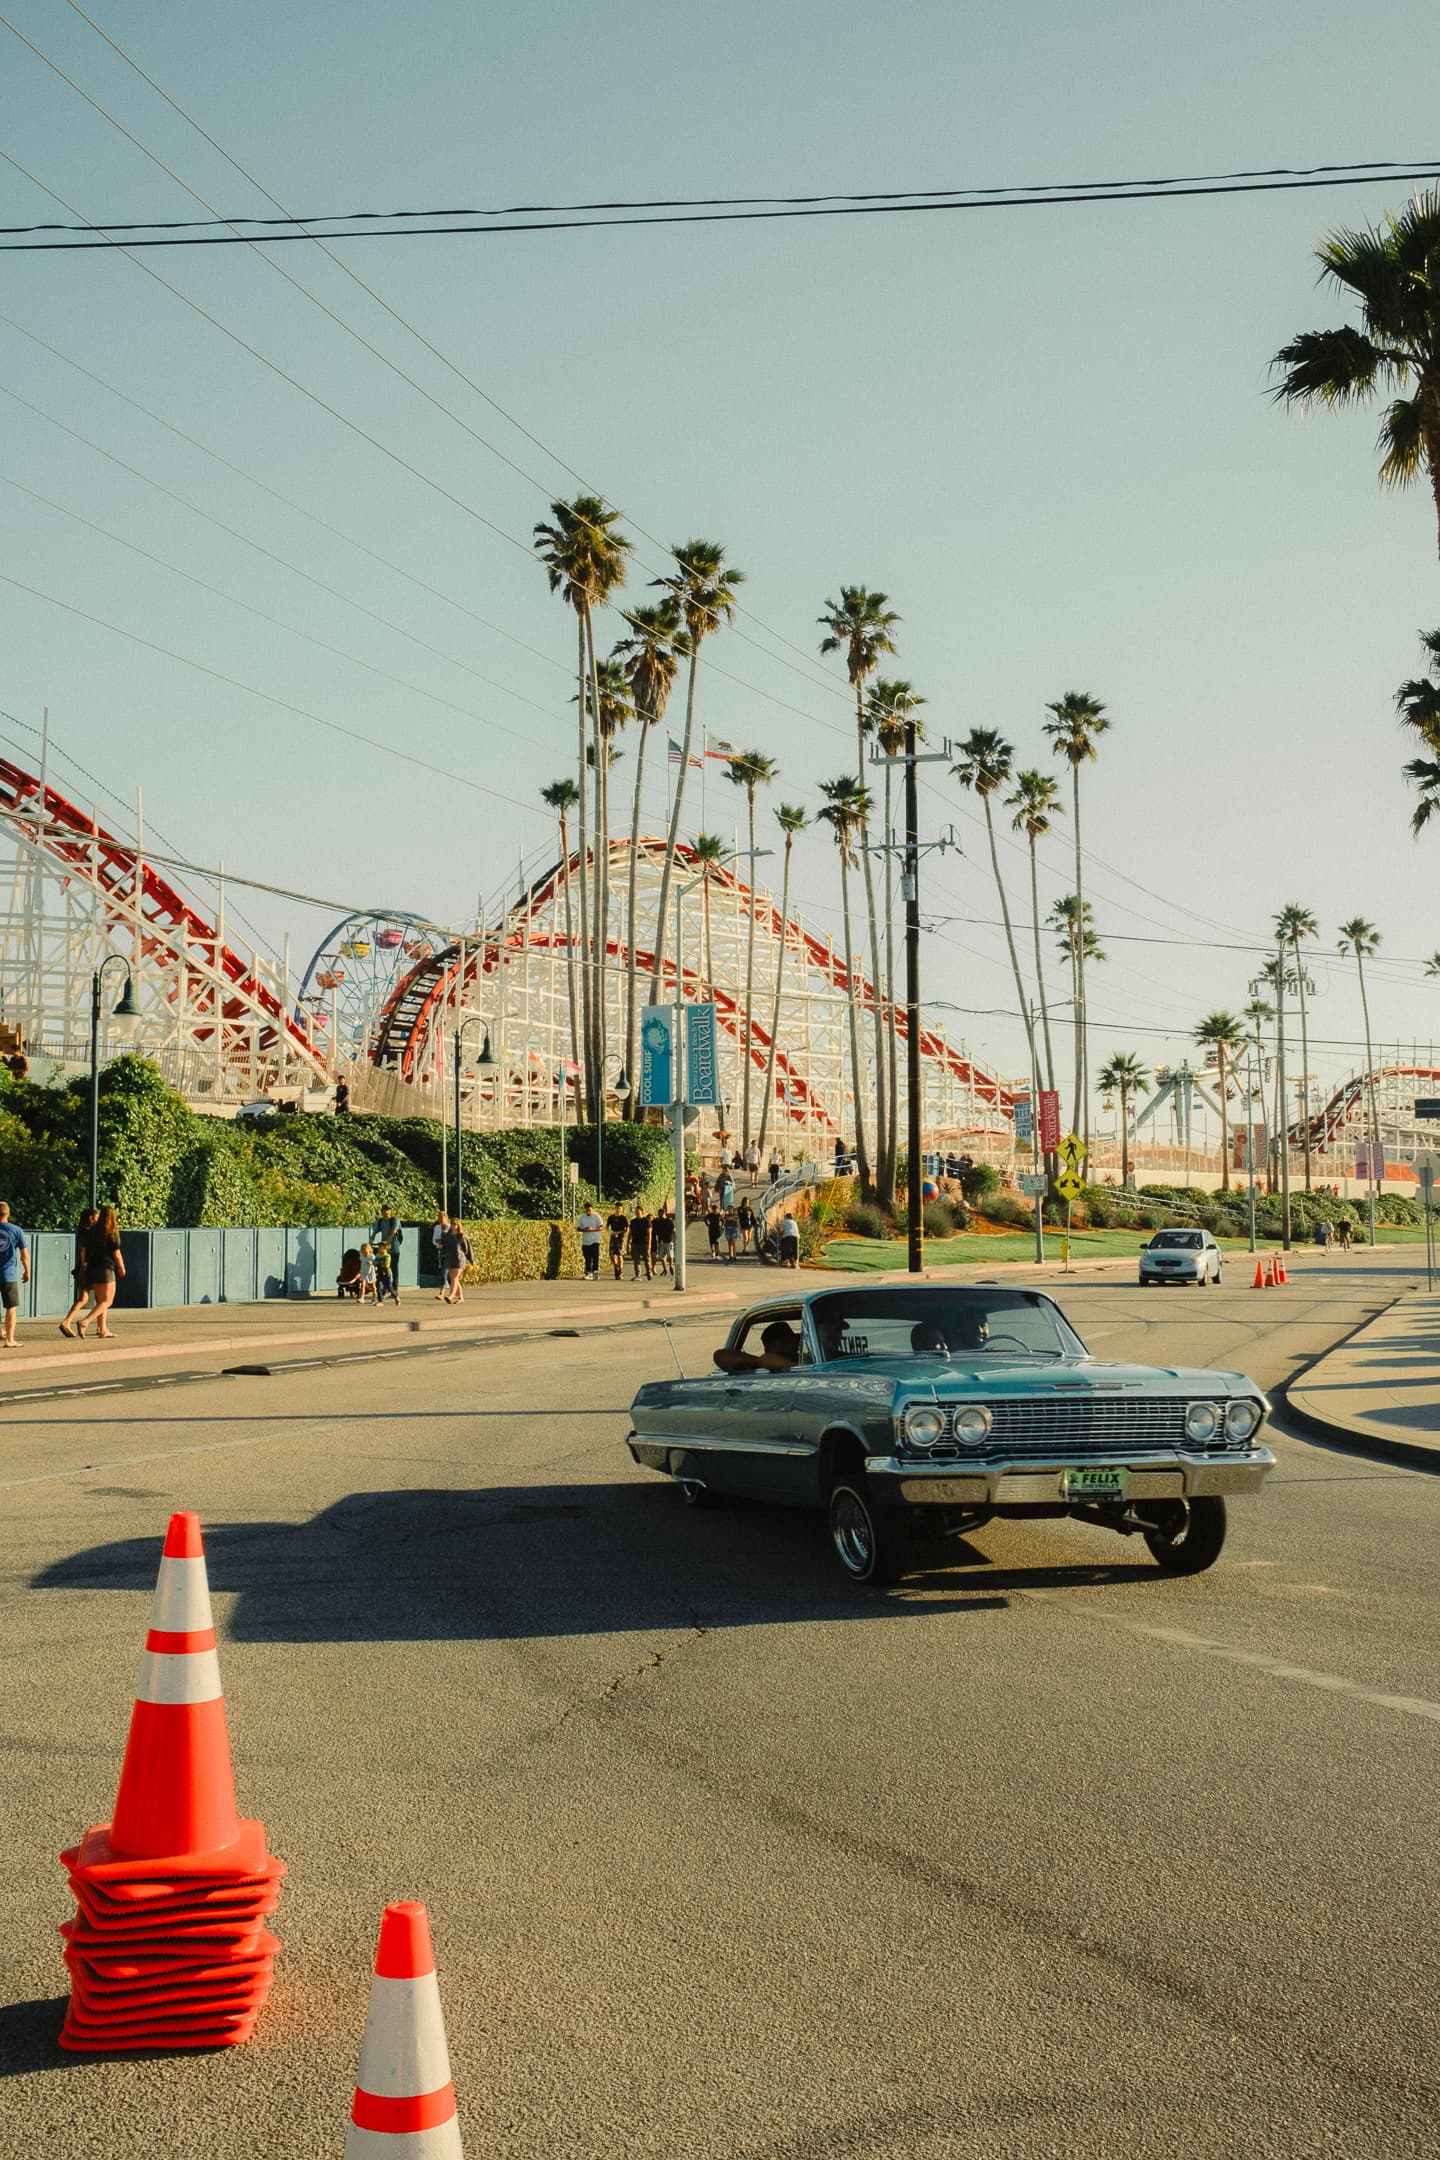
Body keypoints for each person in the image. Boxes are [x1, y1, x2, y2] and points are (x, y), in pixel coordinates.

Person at [76, 1204, 125, 1339]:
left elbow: (84, 1250)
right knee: (107, 1301)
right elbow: (116, 1253)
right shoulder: (111, 1232)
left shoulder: (92, 1231)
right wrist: (121, 1266)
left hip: (92, 1268)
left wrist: (85, 1263)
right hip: (106, 1268)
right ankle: (85, 1322)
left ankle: (102, 1329)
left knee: (100, 1301)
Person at [60, 1207, 98, 1337]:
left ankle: (67, 1321)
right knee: (101, 1299)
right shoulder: (90, 1232)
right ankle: (101, 1328)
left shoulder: (81, 1231)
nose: (98, 1219)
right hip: (88, 1268)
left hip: (82, 1269)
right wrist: (85, 1265)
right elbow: (83, 1251)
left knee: (83, 1298)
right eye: (96, 1217)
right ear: (91, 1218)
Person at [713, 1319, 801, 1374]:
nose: (795, 1343)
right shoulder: (764, 1363)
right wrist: (758, 1362)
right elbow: (720, 1355)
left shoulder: (804, 1356)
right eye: (786, 1340)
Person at [0, 1200, 31, 1348]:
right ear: (8, 1214)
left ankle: (1, 1331)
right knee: (11, 1307)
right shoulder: (16, 1230)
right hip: (8, 1274)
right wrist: (27, 1271)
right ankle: (10, 1339)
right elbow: (24, 1255)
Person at [437, 1219, 473, 1304]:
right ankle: (461, 1298)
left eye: (455, 1224)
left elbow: (468, 1249)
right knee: (454, 1279)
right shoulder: (447, 1236)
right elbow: (443, 1246)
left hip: (459, 1260)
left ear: (458, 1225)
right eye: (452, 1224)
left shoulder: (462, 1236)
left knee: (454, 1278)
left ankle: (451, 1296)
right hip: (449, 1259)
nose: (453, 1226)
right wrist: (441, 1246)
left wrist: (472, 1261)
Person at [577, 1201, 603, 1280]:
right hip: (586, 1241)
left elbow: (601, 1227)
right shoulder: (582, 1217)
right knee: (587, 1257)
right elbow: (578, 1228)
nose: (589, 1211)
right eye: (587, 1210)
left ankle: (595, 1272)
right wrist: (584, 1229)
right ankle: (588, 1272)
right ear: (585, 1209)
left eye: (590, 1210)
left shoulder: (596, 1216)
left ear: (592, 1209)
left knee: (595, 1257)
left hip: (595, 1240)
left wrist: (593, 1229)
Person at [628, 1203, 653, 1282]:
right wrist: (628, 1242)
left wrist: (649, 1244)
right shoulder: (633, 1221)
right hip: (635, 1243)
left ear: (642, 1212)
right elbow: (630, 1233)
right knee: (636, 1259)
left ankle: (649, 1271)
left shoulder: (646, 1221)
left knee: (646, 1259)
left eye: (638, 1212)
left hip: (644, 1243)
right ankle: (637, 1275)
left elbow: (649, 1233)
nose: (637, 1213)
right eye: (636, 1212)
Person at [606, 1202, 629, 1281]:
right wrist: (611, 1232)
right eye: (617, 1208)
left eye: (619, 1208)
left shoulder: (623, 1218)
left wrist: (623, 1235)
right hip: (613, 1237)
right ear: (614, 1208)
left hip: (620, 1238)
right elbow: (607, 1227)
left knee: (619, 1255)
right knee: (612, 1255)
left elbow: (626, 1228)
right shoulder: (611, 1217)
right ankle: (616, 1267)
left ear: (622, 1209)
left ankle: (620, 1272)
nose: (618, 1210)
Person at [652, 1204, 675, 1277]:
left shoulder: (669, 1221)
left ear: (665, 1214)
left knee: (670, 1255)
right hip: (661, 1241)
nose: (660, 1216)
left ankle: (671, 1265)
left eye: (661, 1214)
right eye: (659, 1214)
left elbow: (672, 1231)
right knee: (661, 1257)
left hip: (668, 1241)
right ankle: (665, 1269)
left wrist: (673, 1239)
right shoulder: (657, 1221)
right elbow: (654, 1231)